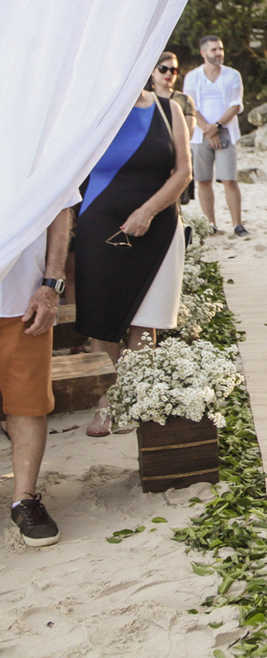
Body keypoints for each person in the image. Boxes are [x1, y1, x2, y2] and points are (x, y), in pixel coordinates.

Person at [76, 86, 191, 437]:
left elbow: (183, 171)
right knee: (102, 318)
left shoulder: (169, 109)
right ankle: (105, 406)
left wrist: (147, 211)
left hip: (158, 226)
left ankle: (133, 402)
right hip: (100, 223)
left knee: (146, 321)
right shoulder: (91, 109)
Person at [1, 202, 74, 545]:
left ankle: (24, 499)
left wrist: (52, 283)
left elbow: (60, 208)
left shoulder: (38, 146)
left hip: (23, 297)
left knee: (27, 401)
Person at [183, 35, 247, 237]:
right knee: (203, 180)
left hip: (225, 130)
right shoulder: (193, 77)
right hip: (200, 133)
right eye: (214, 50)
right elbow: (191, 106)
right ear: (203, 53)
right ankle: (210, 224)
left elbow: (235, 105)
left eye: (220, 49)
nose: (219, 53)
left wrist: (217, 127)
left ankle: (237, 224)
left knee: (229, 179)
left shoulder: (232, 75)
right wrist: (208, 130)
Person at [150, 52, 196, 204]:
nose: (169, 73)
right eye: (163, 69)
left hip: (176, 157)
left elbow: (188, 132)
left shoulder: (183, 100)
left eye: (173, 70)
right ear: (152, 70)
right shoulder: (144, 99)